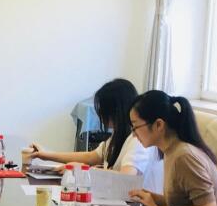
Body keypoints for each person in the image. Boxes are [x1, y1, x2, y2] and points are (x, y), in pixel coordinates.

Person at [28, 78, 163, 193]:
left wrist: (83, 170)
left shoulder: (137, 140)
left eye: (103, 110)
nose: (100, 116)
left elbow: (126, 176)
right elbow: (91, 156)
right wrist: (45, 155)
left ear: (115, 111)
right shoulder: (119, 135)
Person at [126, 90, 217, 206]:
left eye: (135, 127)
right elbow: (180, 202)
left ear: (158, 125)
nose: (134, 134)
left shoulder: (184, 157)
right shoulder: (171, 151)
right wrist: (149, 197)